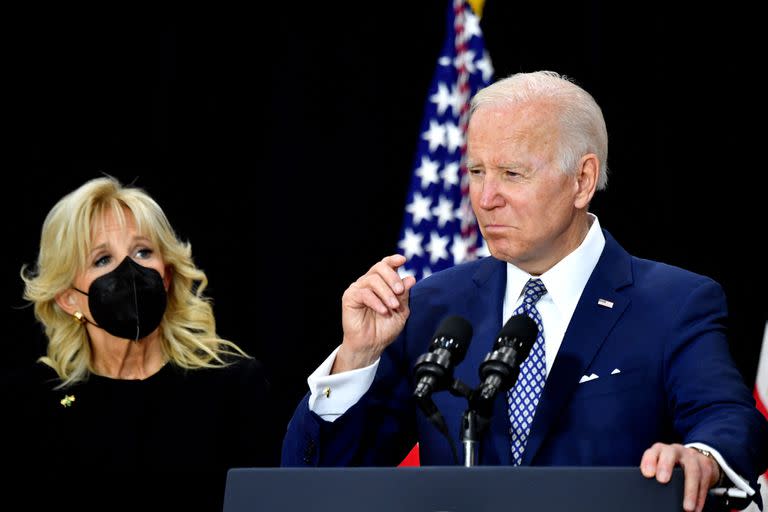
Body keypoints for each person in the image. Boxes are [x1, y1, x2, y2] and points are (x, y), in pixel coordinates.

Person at [282, 71, 768, 512]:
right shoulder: (435, 307)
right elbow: (325, 480)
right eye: (476, 172)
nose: (485, 198)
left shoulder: (674, 303)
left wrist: (700, 456)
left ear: (582, 180)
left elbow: (728, 419)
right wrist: (356, 359)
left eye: (512, 174)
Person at [3, 176, 281, 510]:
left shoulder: (233, 385)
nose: (130, 271)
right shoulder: (31, 402)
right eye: (102, 260)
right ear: (68, 299)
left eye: (143, 251)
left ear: (165, 275)